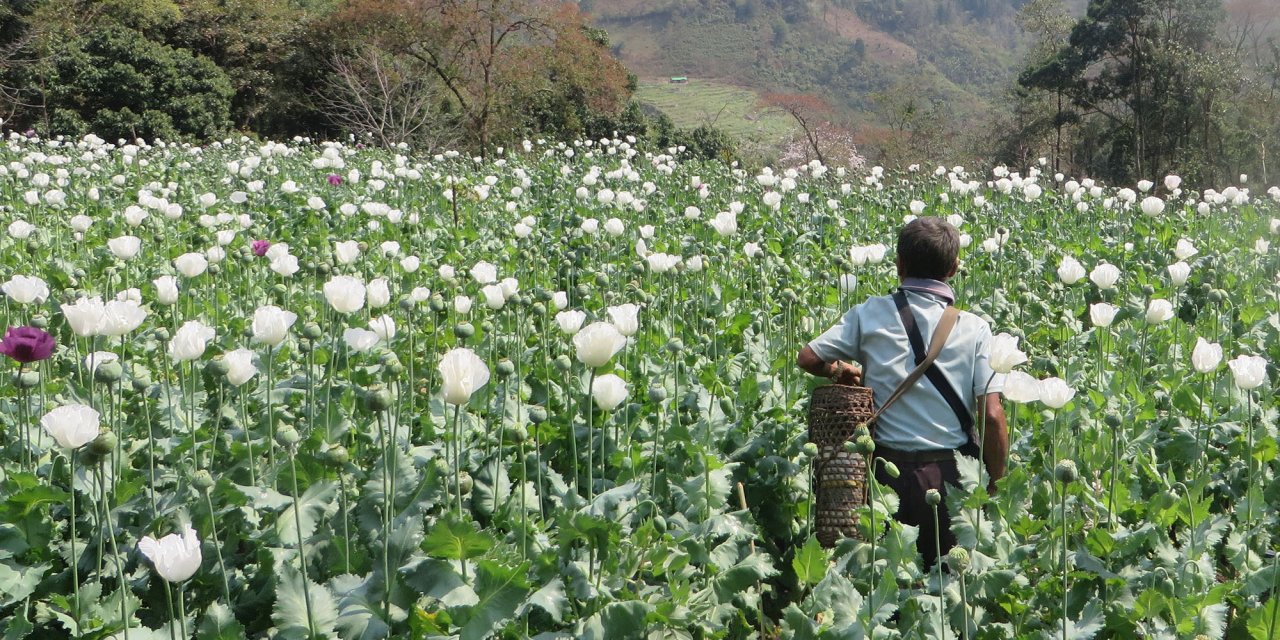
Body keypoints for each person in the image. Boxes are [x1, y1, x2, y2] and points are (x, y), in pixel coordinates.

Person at [796, 217, 1009, 568]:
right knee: (947, 580)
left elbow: (808, 358)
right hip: (951, 478)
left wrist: (841, 369)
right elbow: (992, 415)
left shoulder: (869, 314)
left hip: (883, 477)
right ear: (954, 269)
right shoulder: (975, 328)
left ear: (899, 264)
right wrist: (994, 483)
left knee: (886, 578)